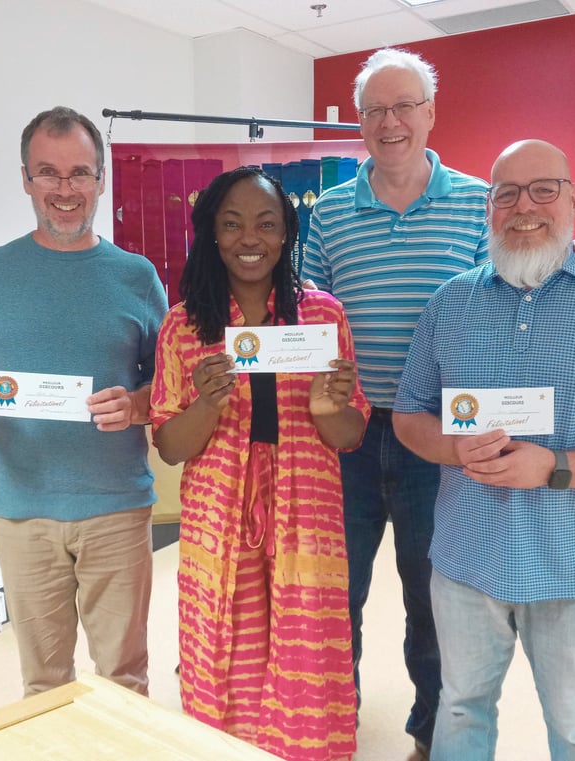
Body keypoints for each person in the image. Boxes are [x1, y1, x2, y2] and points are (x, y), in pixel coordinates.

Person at [301, 47, 575, 759]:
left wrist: (570, 256)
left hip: (440, 436)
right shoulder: (330, 213)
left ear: (431, 114)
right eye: (374, 110)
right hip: (347, 434)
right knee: (331, 594)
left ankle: (432, 734)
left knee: (432, 601)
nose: (390, 121)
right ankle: (325, 722)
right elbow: (308, 318)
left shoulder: (484, 202)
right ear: (361, 123)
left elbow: (515, 289)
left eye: (404, 106)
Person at [392, 139, 575, 760]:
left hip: (574, 567)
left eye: (542, 190)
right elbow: (406, 415)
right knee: (459, 706)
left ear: (574, 200)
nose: (524, 207)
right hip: (464, 560)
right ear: (488, 208)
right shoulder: (450, 303)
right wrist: (452, 450)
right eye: (506, 194)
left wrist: (553, 467)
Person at [0, 106, 168, 697]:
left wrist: (139, 405)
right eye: (48, 173)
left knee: (123, 678)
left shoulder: (136, 276)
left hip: (116, 507)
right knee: (43, 684)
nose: (65, 191)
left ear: (100, 179)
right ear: (26, 179)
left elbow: (169, 379)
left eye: (80, 174)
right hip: (22, 510)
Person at [149, 166, 370, 761]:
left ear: (286, 235)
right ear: (213, 234)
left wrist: (328, 409)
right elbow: (171, 446)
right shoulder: (184, 325)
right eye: (233, 224)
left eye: (267, 224)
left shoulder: (323, 317)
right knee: (225, 637)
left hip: (307, 509)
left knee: (306, 639)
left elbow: (349, 434)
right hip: (218, 514)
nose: (251, 238)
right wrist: (206, 404)